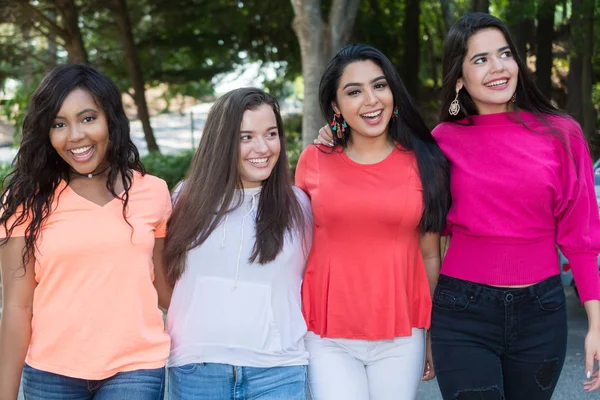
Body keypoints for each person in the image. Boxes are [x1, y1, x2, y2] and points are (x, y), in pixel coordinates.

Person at [315, 12, 600, 400]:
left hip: (542, 313)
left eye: (504, 54)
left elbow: (581, 237)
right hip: (462, 312)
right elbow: (382, 170)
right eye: (480, 59)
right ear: (460, 78)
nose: (497, 67)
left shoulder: (561, 134)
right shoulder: (440, 143)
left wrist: (596, 325)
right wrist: (336, 135)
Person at [0, 64, 171, 399]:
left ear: (110, 119)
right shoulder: (26, 200)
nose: (75, 135)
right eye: (59, 124)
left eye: (88, 118)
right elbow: (18, 308)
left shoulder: (153, 192)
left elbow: (166, 289)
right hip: (51, 372)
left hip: (135, 368)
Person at [296, 44, 451, 400]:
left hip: (402, 335)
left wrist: (430, 333)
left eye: (379, 86)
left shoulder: (425, 163)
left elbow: (430, 256)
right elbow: (298, 248)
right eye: (354, 91)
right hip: (326, 335)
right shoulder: (313, 160)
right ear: (336, 106)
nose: (371, 100)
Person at [163, 88, 312, 400]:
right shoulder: (184, 199)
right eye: (246, 137)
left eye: (271, 134)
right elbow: (162, 277)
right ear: (222, 142)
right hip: (197, 370)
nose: (262, 147)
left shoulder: (299, 205)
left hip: (279, 371)